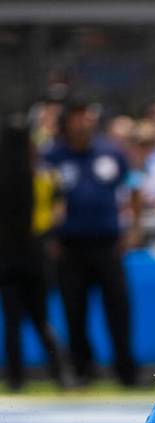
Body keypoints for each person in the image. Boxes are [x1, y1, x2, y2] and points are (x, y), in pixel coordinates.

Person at [43, 98, 141, 386]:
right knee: (74, 311)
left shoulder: (111, 151)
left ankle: (126, 372)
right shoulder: (52, 156)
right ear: (65, 122)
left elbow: (134, 184)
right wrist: (48, 236)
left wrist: (135, 227)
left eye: (85, 115)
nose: (81, 122)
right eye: (75, 116)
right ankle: (81, 370)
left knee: (119, 309)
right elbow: (41, 196)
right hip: (69, 246)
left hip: (108, 244)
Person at [0, 113, 67, 389]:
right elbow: (54, 213)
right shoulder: (42, 175)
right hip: (33, 252)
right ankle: (59, 373)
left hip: (6, 255)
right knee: (41, 319)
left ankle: (16, 378)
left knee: (13, 321)